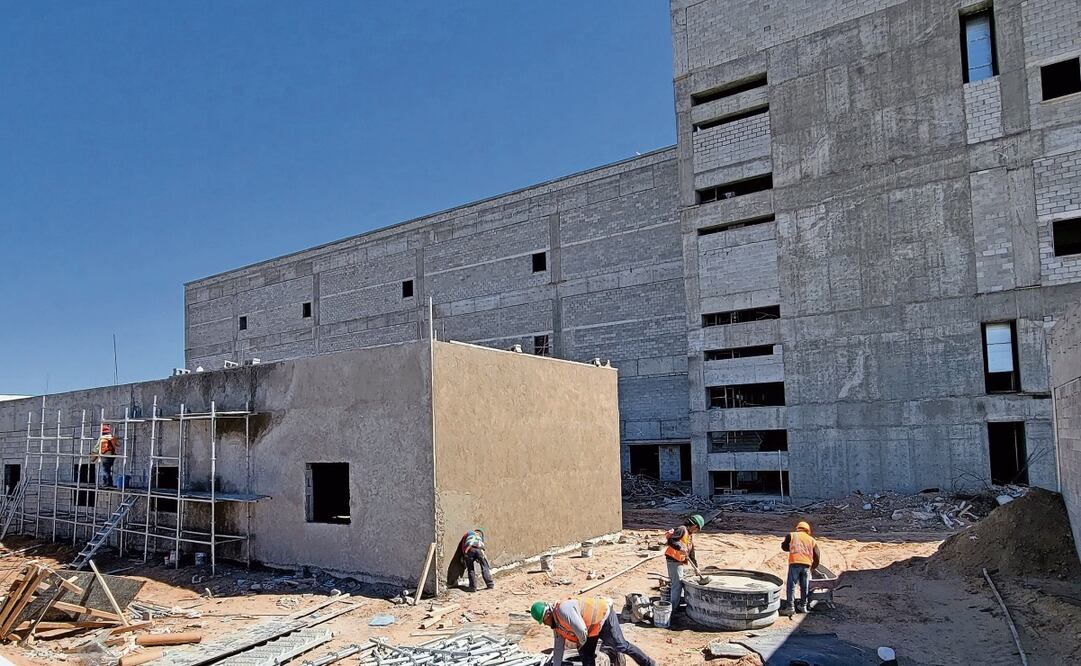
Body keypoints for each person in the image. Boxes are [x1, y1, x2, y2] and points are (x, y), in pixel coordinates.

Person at [530, 596, 655, 666]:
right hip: (590, 629)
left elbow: (582, 631)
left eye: (543, 621)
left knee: (620, 645)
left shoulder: (564, 610)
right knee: (586, 657)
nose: (545, 624)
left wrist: (581, 646)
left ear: (547, 614)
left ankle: (648, 663)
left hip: (603, 617)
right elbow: (558, 647)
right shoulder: (556, 625)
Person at [664, 514, 705, 614]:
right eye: (698, 529)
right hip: (673, 560)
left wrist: (696, 568)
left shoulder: (689, 535)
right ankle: (673, 609)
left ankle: (677, 603)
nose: (697, 531)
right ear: (695, 526)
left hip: (679, 561)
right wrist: (679, 548)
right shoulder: (682, 530)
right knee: (677, 585)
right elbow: (670, 540)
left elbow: (691, 553)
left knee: (680, 583)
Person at [781, 520, 820, 613]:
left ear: (798, 528)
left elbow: (784, 547)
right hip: (806, 565)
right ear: (808, 530)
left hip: (794, 563)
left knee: (791, 585)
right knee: (804, 586)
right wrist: (814, 566)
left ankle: (790, 607)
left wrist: (791, 548)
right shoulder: (812, 540)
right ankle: (803, 606)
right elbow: (817, 555)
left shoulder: (792, 535)